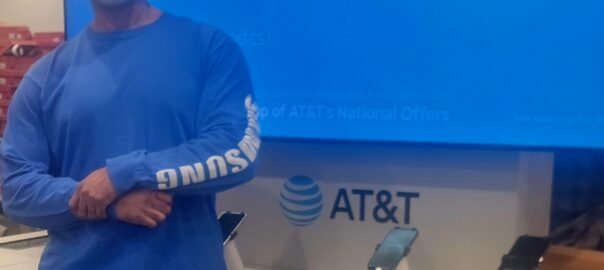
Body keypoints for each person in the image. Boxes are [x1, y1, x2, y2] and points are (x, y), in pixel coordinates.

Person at [0, 0, 260, 269]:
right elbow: (17, 191)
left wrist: (124, 174)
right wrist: (109, 204)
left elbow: (236, 150)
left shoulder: (210, 48)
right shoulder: (44, 77)